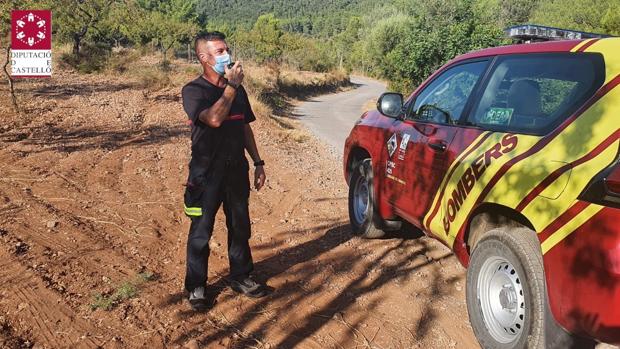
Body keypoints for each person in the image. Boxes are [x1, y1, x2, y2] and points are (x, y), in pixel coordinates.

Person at [181, 31, 269, 311]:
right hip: (206, 174)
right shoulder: (194, 91)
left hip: (236, 171)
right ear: (203, 58)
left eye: (226, 50)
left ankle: (241, 276)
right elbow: (215, 119)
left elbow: (244, 126)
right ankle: (196, 285)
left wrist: (258, 162)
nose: (226, 56)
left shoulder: (238, 90)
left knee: (240, 226)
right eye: (219, 52)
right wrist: (231, 87)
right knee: (201, 231)